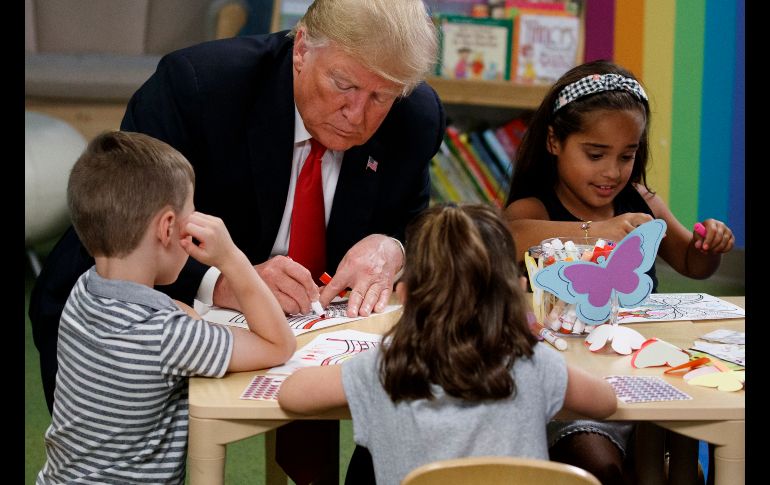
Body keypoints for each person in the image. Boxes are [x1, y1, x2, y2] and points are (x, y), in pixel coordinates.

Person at [29, 1, 443, 482]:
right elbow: (126, 220)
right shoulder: (199, 85)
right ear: (302, 49)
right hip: (143, 294)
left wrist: (393, 247)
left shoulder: (415, 117)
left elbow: (415, 222)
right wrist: (219, 279)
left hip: (306, 321)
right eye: (343, 85)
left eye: (381, 97)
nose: (357, 114)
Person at [504, 59, 735, 485]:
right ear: (554, 141)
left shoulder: (642, 201)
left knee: (690, 460)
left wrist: (710, 244)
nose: (612, 171)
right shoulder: (532, 207)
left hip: (645, 378)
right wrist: (597, 230)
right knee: (599, 466)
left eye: (626, 155)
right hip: (572, 391)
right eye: (595, 154)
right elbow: (508, 235)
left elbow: (693, 264)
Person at [278, 203, 618, 485]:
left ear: (405, 295)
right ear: (515, 290)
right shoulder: (535, 364)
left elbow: (291, 393)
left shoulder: (382, 370)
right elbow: (605, 402)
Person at [36, 131, 296, 484]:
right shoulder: (166, 335)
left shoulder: (83, 292)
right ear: (168, 227)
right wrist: (232, 259)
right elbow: (278, 344)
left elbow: (172, 312)